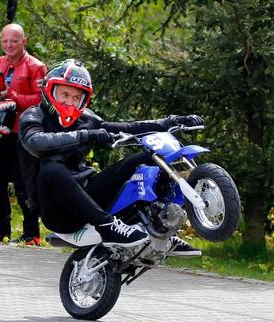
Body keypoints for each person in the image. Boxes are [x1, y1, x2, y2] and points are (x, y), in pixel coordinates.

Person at [19, 58, 202, 254]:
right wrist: (85, 135)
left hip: (87, 194)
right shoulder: (33, 116)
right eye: (64, 94)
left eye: (76, 98)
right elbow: (35, 142)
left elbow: (129, 127)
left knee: (147, 156)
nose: (69, 102)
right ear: (50, 91)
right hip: (57, 211)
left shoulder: (86, 119)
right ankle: (108, 227)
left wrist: (171, 122)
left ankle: (161, 226)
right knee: (51, 168)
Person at [0, 23, 46, 245]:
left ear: (24, 42)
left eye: (14, 41)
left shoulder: (36, 66)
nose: (9, 45)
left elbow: (41, 100)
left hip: (23, 133)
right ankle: (0, 229)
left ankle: (32, 233)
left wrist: (12, 95)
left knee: (25, 184)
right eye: (5, 41)